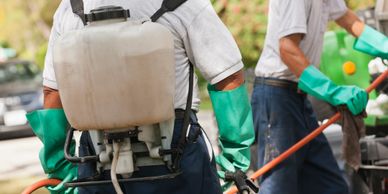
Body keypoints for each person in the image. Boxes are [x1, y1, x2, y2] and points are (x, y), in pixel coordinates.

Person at [27, 0, 255, 194]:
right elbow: (227, 76)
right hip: (175, 153)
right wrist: (233, 163)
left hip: (96, 159)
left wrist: (60, 169)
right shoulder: (184, 4)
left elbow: (53, 92)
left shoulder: (71, 8)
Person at [251, 0, 388, 194]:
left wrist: (385, 45)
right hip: (276, 100)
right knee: (279, 186)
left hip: (297, 98)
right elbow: (287, 49)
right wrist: (333, 92)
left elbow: (349, 20)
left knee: (331, 187)